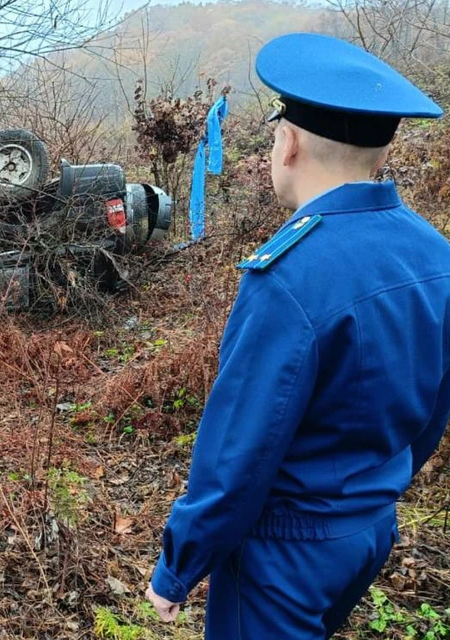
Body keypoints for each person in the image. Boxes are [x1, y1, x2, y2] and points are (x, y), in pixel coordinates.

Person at [144, 32, 448, 639]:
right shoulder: (436, 254)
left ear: (287, 143)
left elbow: (239, 450)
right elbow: (435, 409)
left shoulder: (288, 277)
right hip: (368, 528)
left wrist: (178, 565)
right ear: (380, 151)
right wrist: (371, 493)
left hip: (284, 551)